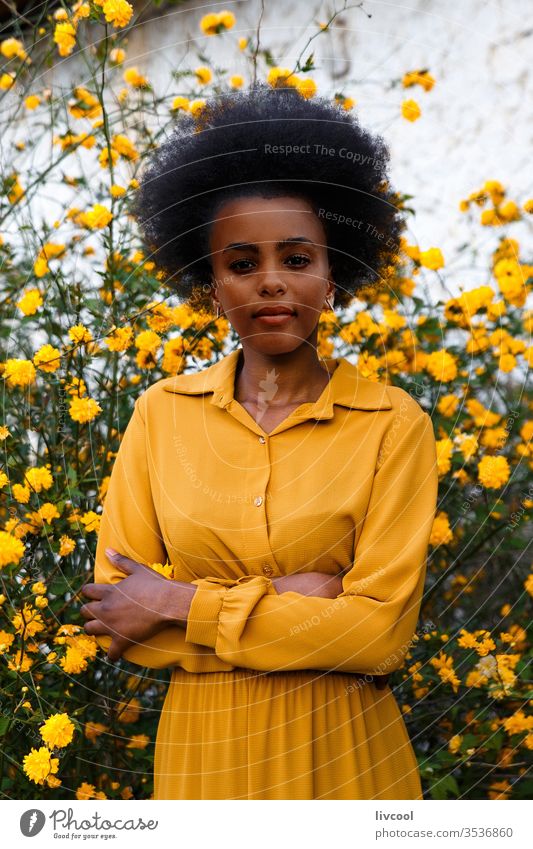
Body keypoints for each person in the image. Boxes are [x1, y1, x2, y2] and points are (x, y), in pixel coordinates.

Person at [80, 83, 439, 800]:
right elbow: (120, 619)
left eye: (297, 259)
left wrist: (183, 601)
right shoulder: (160, 415)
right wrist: (301, 598)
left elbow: (377, 638)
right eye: (242, 264)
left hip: (348, 764)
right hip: (203, 766)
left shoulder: (393, 424)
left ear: (335, 273)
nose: (271, 282)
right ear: (209, 284)